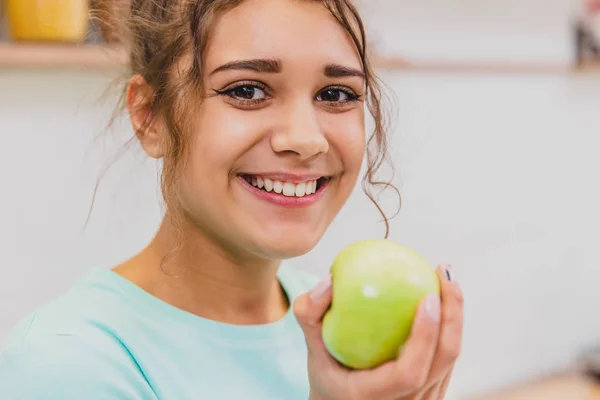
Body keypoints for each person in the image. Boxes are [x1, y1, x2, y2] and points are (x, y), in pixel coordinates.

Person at [0, 0, 464, 399]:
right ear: (149, 116)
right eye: (247, 90)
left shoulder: (321, 313)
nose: (305, 140)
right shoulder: (66, 365)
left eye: (335, 93)